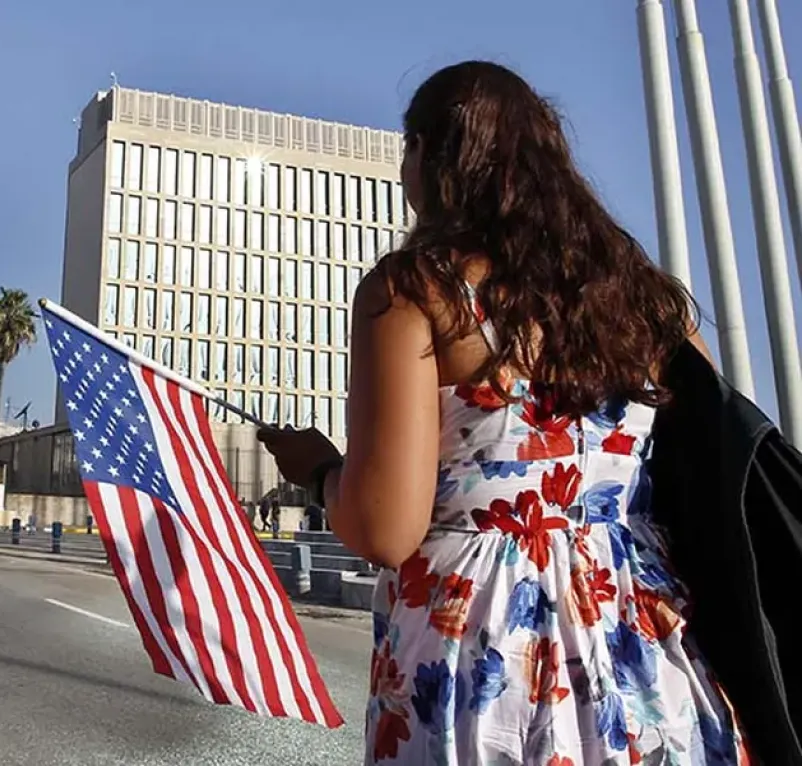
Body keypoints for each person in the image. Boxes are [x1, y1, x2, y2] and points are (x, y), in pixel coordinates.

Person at [258, 61, 747, 765]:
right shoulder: (649, 304)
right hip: (645, 645)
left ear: (430, 153)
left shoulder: (416, 293)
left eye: (408, 150)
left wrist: (321, 473)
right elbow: (707, 466)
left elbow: (387, 529)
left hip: (482, 653)